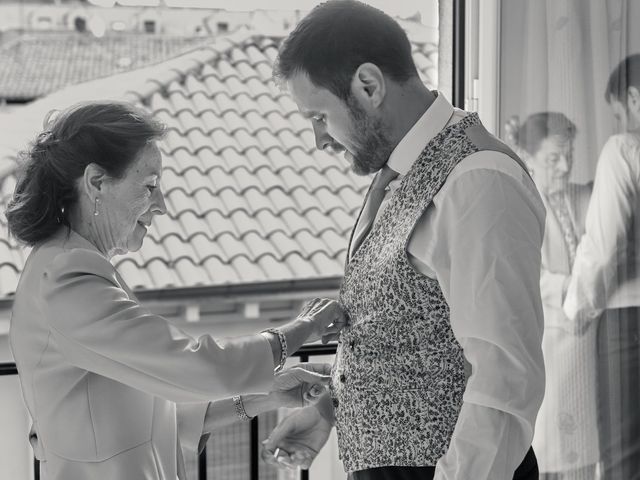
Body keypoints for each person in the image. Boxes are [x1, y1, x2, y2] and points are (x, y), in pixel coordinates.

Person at [262, 2, 546, 479]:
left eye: (318, 116)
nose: (320, 140)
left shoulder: (478, 179)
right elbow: (413, 333)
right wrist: (336, 405)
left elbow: (505, 379)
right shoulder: (403, 171)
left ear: (368, 86)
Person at [6, 101, 346, 480]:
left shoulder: (69, 267)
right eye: (150, 186)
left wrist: (265, 396)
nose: (162, 205)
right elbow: (195, 364)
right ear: (96, 181)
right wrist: (300, 331)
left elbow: (147, 418)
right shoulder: (67, 278)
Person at [563, 53, 640, 480]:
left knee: (624, 453)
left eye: (617, 114)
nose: (618, 125)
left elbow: (604, 245)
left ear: (632, 98)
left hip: (629, 321)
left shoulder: (625, 149)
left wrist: (577, 309)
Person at [511, 112, 598, 480]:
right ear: (528, 158)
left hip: (589, 347)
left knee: (586, 452)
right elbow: (524, 275)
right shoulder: (518, 206)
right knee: (549, 451)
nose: (564, 166)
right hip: (549, 346)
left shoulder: (584, 196)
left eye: (569, 156)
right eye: (553, 158)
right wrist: (572, 288)